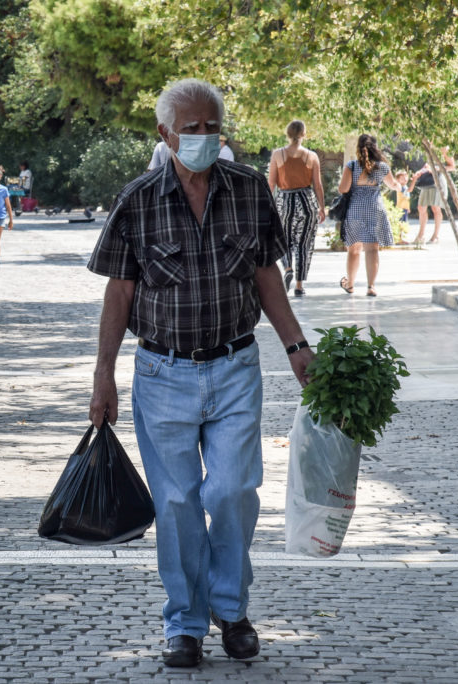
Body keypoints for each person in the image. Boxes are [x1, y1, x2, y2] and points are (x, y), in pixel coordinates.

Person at [86, 78, 313, 669]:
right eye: (192, 129)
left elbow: (267, 277)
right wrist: (103, 375)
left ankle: (231, 610)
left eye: (213, 127)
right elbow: (119, 295)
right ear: (165, 134)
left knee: (234, 490)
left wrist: (295, 345)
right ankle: (186, 622)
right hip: (162, 374)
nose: (204, 138)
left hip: (236, 366)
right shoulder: (137, 201)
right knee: (179, 502)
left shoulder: (248, 191)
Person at [267, 120, 326, 296]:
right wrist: (322, 207)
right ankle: (299, 286)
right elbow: (318, 185)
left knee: (283, 239)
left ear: (287, 134)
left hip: (284, 200)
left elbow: (271, 183)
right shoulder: (311, 156)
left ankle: (287, 268)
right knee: (303, 243)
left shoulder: (278, 155)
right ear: (304, 134)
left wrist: (267, 204)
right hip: (306, 201)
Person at [337, 134, 399, 297]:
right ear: (376, 148)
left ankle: (350, 285)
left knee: (354, 250)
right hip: (374, 208)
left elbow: (343, 189)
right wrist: (399, 185)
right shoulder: (383, 167)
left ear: (358, 148)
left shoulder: (351, 166)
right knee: (372, 250)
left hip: (355, 209)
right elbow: (392, 185)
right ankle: (371, 286)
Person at [407, 147, 455, 244]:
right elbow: (427, 165)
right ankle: (421, 235)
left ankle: (435, 236)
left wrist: (436, 169)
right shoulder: (428, 148)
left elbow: (452, 167)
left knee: (435, 208)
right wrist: (421, 171)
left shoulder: (444, 149)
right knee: (421, 207)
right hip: (427, 181)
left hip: (438, 181)